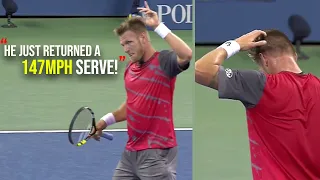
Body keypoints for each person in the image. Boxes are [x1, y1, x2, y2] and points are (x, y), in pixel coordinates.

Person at [195, 29, 320, 179]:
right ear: (295, 56)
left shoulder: (262, 84)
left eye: (260, 66)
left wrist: (236, 44)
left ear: (264, 60)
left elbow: (200, 70)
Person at [94, 1, 192, 180]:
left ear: (143, 38)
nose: (125, 48)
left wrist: (158, 27)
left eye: (129, 42)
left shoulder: (163, 62)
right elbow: (132, 105)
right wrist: (104, 121)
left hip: (156, 152)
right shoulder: (130, 69)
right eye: (123, 44)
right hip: (131, 153)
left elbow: (186, 54)